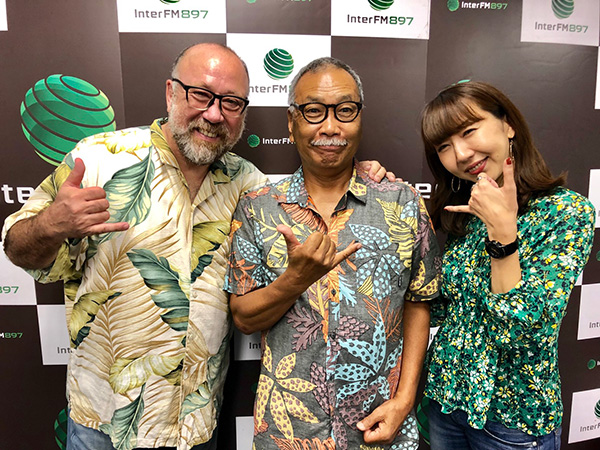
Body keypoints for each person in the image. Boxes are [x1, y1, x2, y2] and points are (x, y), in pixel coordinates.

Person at [1, 44, 390, 450]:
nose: (214, 114)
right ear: (171, 92)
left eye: (231, 102)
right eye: (200, 95)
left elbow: (318, 187)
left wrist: (359, 174)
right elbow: (17, 249)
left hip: (196, 428)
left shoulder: (249, 185)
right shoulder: (100, 160)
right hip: (103, 425)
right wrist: (50, 225)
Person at [224, 57, 441, 449]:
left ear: (359, 117)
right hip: (288, 430)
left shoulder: (403, 203)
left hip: (379, 426)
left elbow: (418, 302)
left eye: (345, 110)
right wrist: (295, 280)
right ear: (291, 122)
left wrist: (405, 400)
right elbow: (243, 317)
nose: (330, 127)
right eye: (313, 111)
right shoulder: (257, 208)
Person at [420, 81, 596, 450]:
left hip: (513, 421)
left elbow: (519, 333)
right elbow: (442, 310)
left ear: (508, 125)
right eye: (443, 147)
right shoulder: (465, 214)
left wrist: (503, 234)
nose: (461, 153)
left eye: (469, 131)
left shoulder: (565, 212)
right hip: (446, 403)